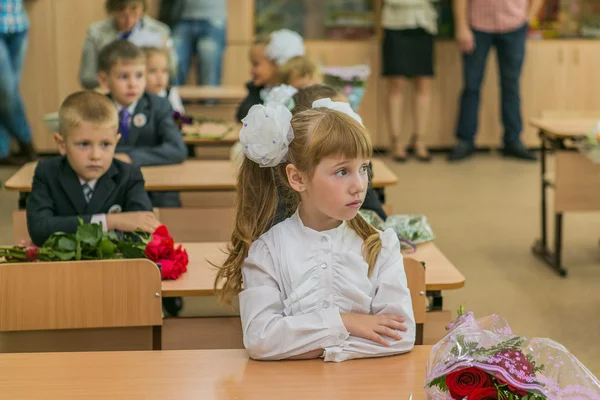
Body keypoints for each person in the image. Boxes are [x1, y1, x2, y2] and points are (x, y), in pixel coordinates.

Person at [215, 100, 416, 362]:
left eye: (364, 168)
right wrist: (346, 323)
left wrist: (311, 346)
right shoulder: (268, 251)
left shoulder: (380, 246)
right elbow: (260, 339)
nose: (359, 185)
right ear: (298, 178)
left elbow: (401, 335)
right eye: (342, 171)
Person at [26, 91, 159, 247]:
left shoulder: (129, 176)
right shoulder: (47, 172)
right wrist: (111, 222)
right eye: (84, 144)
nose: (96, 155)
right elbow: (40, 230)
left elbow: (143, 233)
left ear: (116, 142)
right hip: (62, 270)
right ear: (62, 144)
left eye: (105, 144)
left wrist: (61, 232)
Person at [449, 0, 543, 162]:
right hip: (478, 25)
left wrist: (528, 18)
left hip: (514, 25)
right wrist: (461, 26)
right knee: (471, 85)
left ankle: (513, 140)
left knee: (511, 85)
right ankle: (465, 141)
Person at [97, 39, 187, 208]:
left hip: (156, 192)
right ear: (104, 80)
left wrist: (129, 157)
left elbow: (177, 149)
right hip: (113, 191)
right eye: (123, 76)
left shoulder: (159, 105)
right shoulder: (96, 109)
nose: (133, 84)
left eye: (139, 75)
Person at [381, 0, 438, 162]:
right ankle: (396, 141)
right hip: (394, 23)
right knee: (396, 84)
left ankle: (419, 140)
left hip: (424, 23)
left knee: (423, 83)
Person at [80, 0, 177, 90]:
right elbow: (87, 77)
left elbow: (172, 71)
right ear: (113, 11)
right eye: (123, 16)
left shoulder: (160, 31)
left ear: (142, 9)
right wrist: (117, 83)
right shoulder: (96, 32)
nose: (129, 21)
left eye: (134, 15)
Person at [236, 29, 305, 122]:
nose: (251, 70)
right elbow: (242, 117)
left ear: (277, 63)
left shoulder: (294, 96)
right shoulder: (257, 91)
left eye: (256, 64)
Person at [0, 0, 37, 165]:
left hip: (18, 25)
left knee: (8, 92)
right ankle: (25, 139)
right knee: (6, 90)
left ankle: (2, 149)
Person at [158, 0, 227, 87]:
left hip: (214, 17)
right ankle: (171, 99)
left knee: (209, 58)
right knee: (174, 59)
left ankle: (210, 100)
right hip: (179, 16)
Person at [143, 46, 185, 113]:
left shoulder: (170, 93)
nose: (160, 77)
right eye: (152, 71)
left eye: (164, 71)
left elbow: (179, 118)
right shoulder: (136, 95)